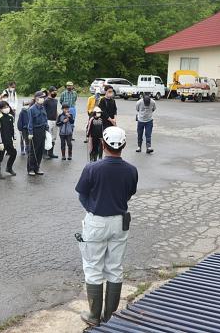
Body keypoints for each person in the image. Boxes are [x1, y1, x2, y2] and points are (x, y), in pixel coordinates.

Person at [75, 126, 138, 327]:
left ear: (103, 144)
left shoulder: (91, 168)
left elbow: (82, 194)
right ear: (124, 146)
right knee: (114, 268)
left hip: (96, 222)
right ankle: (110, 316)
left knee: (93, 267)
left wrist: (92, 207)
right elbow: (129, 194)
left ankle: (94, 315)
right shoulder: (131, 170)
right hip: (120, 221)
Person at [27, 91, 48, 176]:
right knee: (33, 151)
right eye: (42, 97)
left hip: (42, 130)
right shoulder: (32, 109)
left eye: (43, 97)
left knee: (40, 150)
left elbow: (45, 118)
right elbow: (30, 122)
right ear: (36, 99)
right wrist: (30, 132)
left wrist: (46, 127)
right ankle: (30, 168)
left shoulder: (42, 107)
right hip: (35, 130)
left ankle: (37, 167)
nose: (43, 99)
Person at [0, 101, 17, 178]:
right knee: (0, 157)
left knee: (14, 153)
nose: (6, 108)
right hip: (2, 141)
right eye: (4, 108)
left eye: (7, 107)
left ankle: (9, 168)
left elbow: (13, 128)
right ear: (0, 109)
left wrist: (14, 139)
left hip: (9, 140)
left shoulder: (11, 116)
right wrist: (0, 142)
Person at [44, 86, 59, 159]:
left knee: (53, 137)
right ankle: (45, 153)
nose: (55, 93)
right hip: (48, 120)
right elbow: (43, 111)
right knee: (47, 137)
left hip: (54, 120)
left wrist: (57, 118)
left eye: (56, 91)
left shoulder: (56, 100)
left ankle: (51, 153)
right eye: (53, 91)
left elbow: (56, 110)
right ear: (49, 92)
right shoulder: (46, 100)